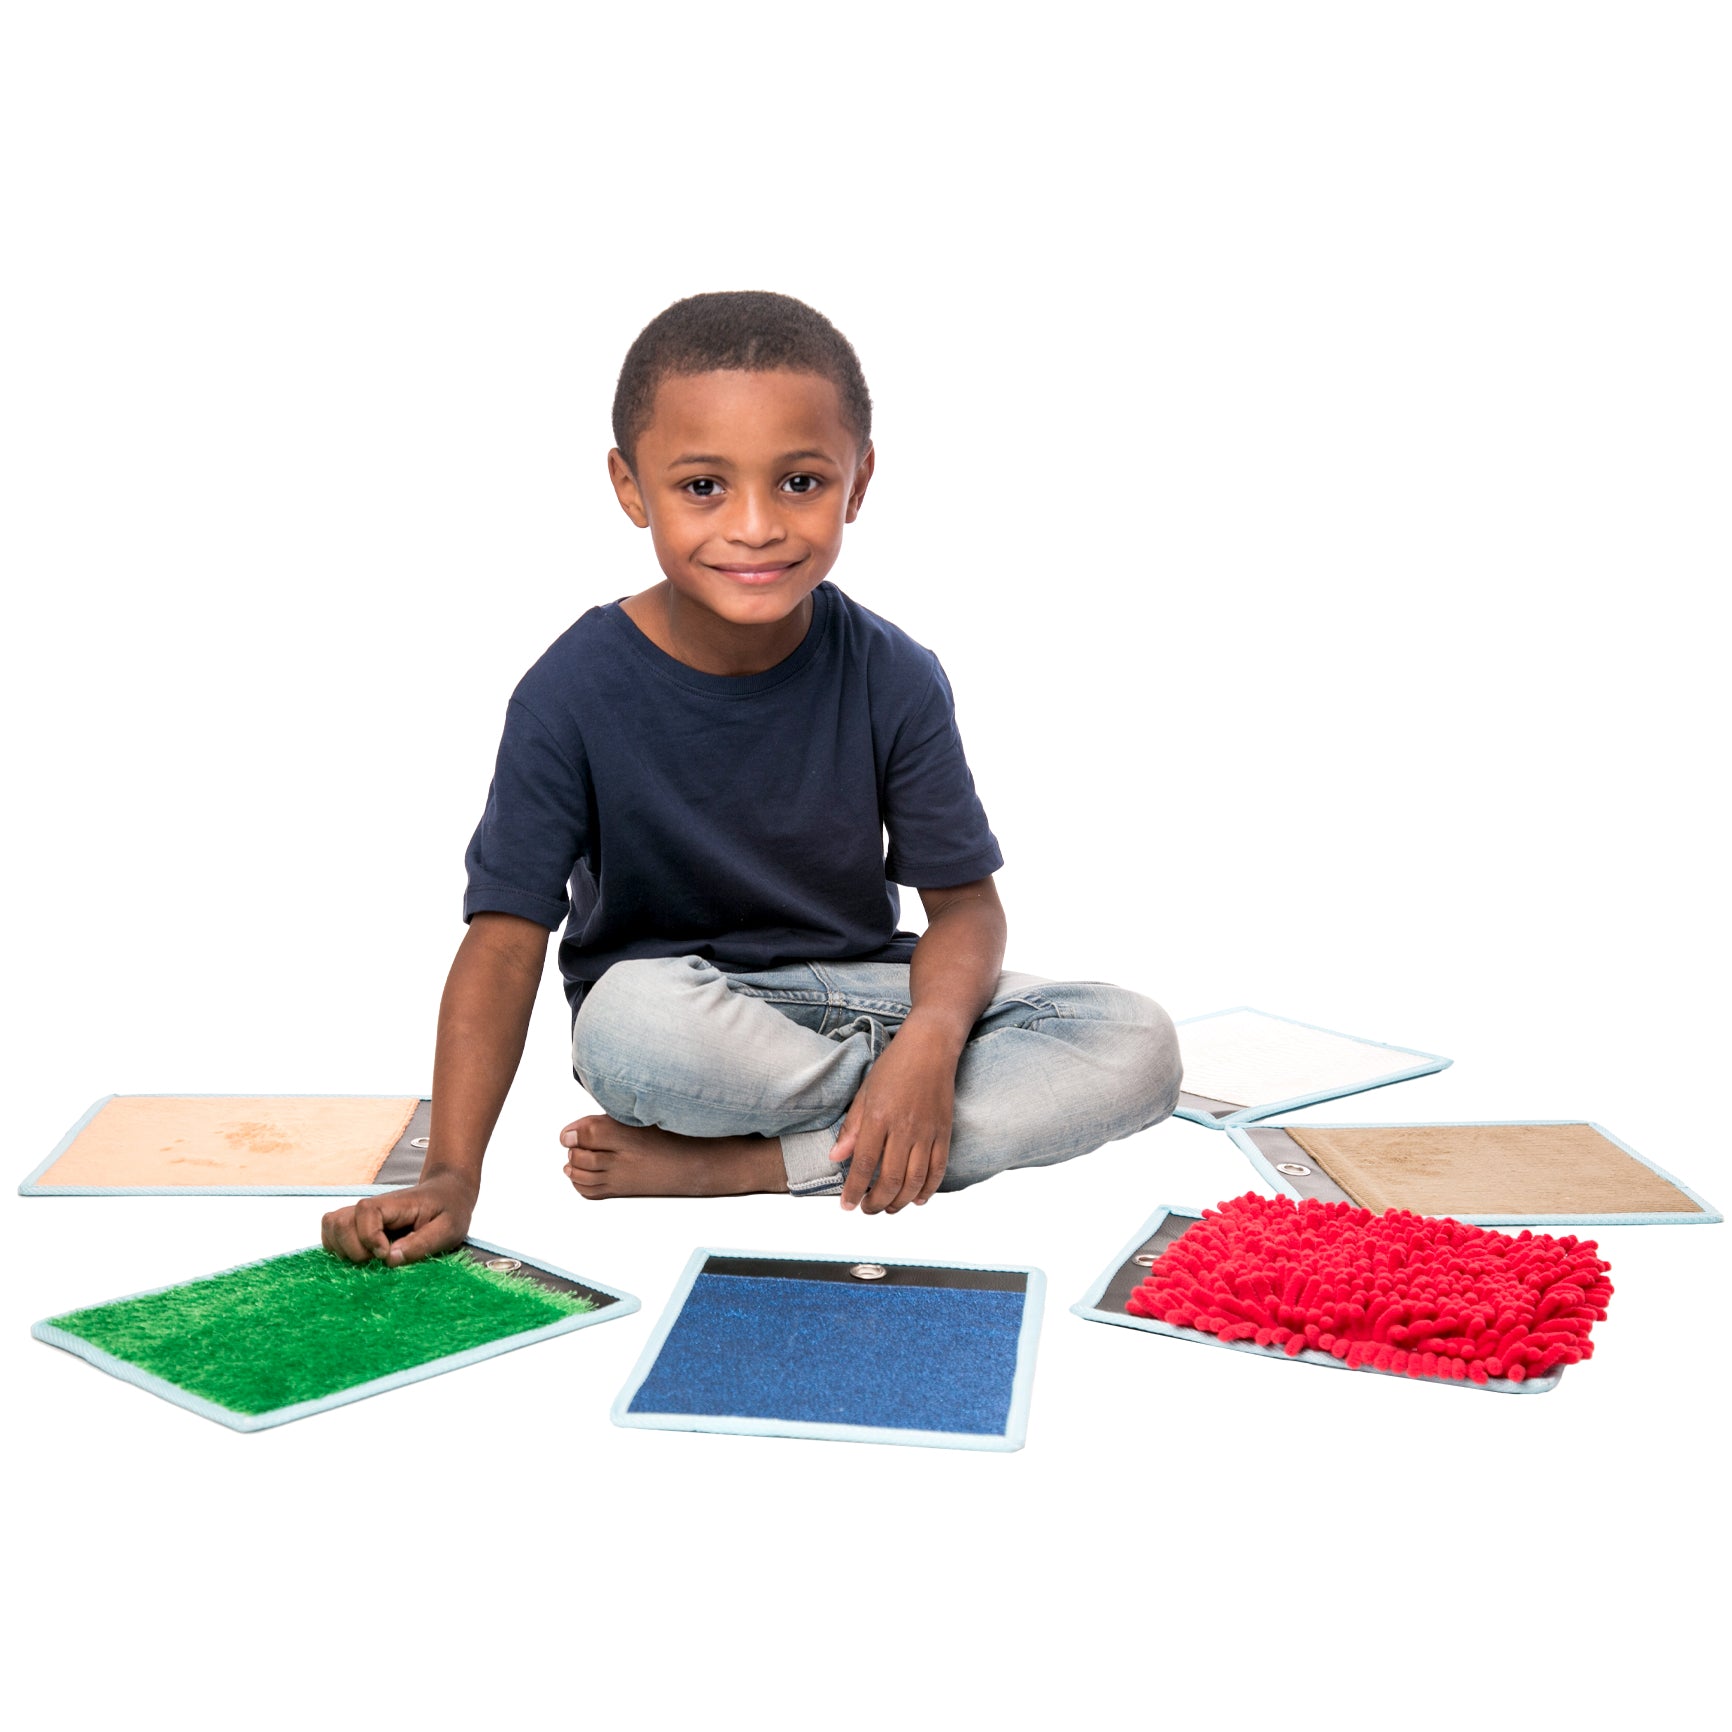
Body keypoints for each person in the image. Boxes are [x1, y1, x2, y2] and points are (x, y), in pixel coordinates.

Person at [321, 291, 1180, 1267]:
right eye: (702, 487)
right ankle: (895, 1116)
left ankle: (753, 1164)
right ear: (630, 487)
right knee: (626, 1025)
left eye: (801, 480)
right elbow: (507, 942)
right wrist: (452, 1171)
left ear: (857, 483)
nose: (757, 527)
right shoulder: (570, 690)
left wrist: (930, 1044)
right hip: (685, 1022)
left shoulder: (893, 673)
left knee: (1134, 1041)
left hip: (865, 989)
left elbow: (966, 912)